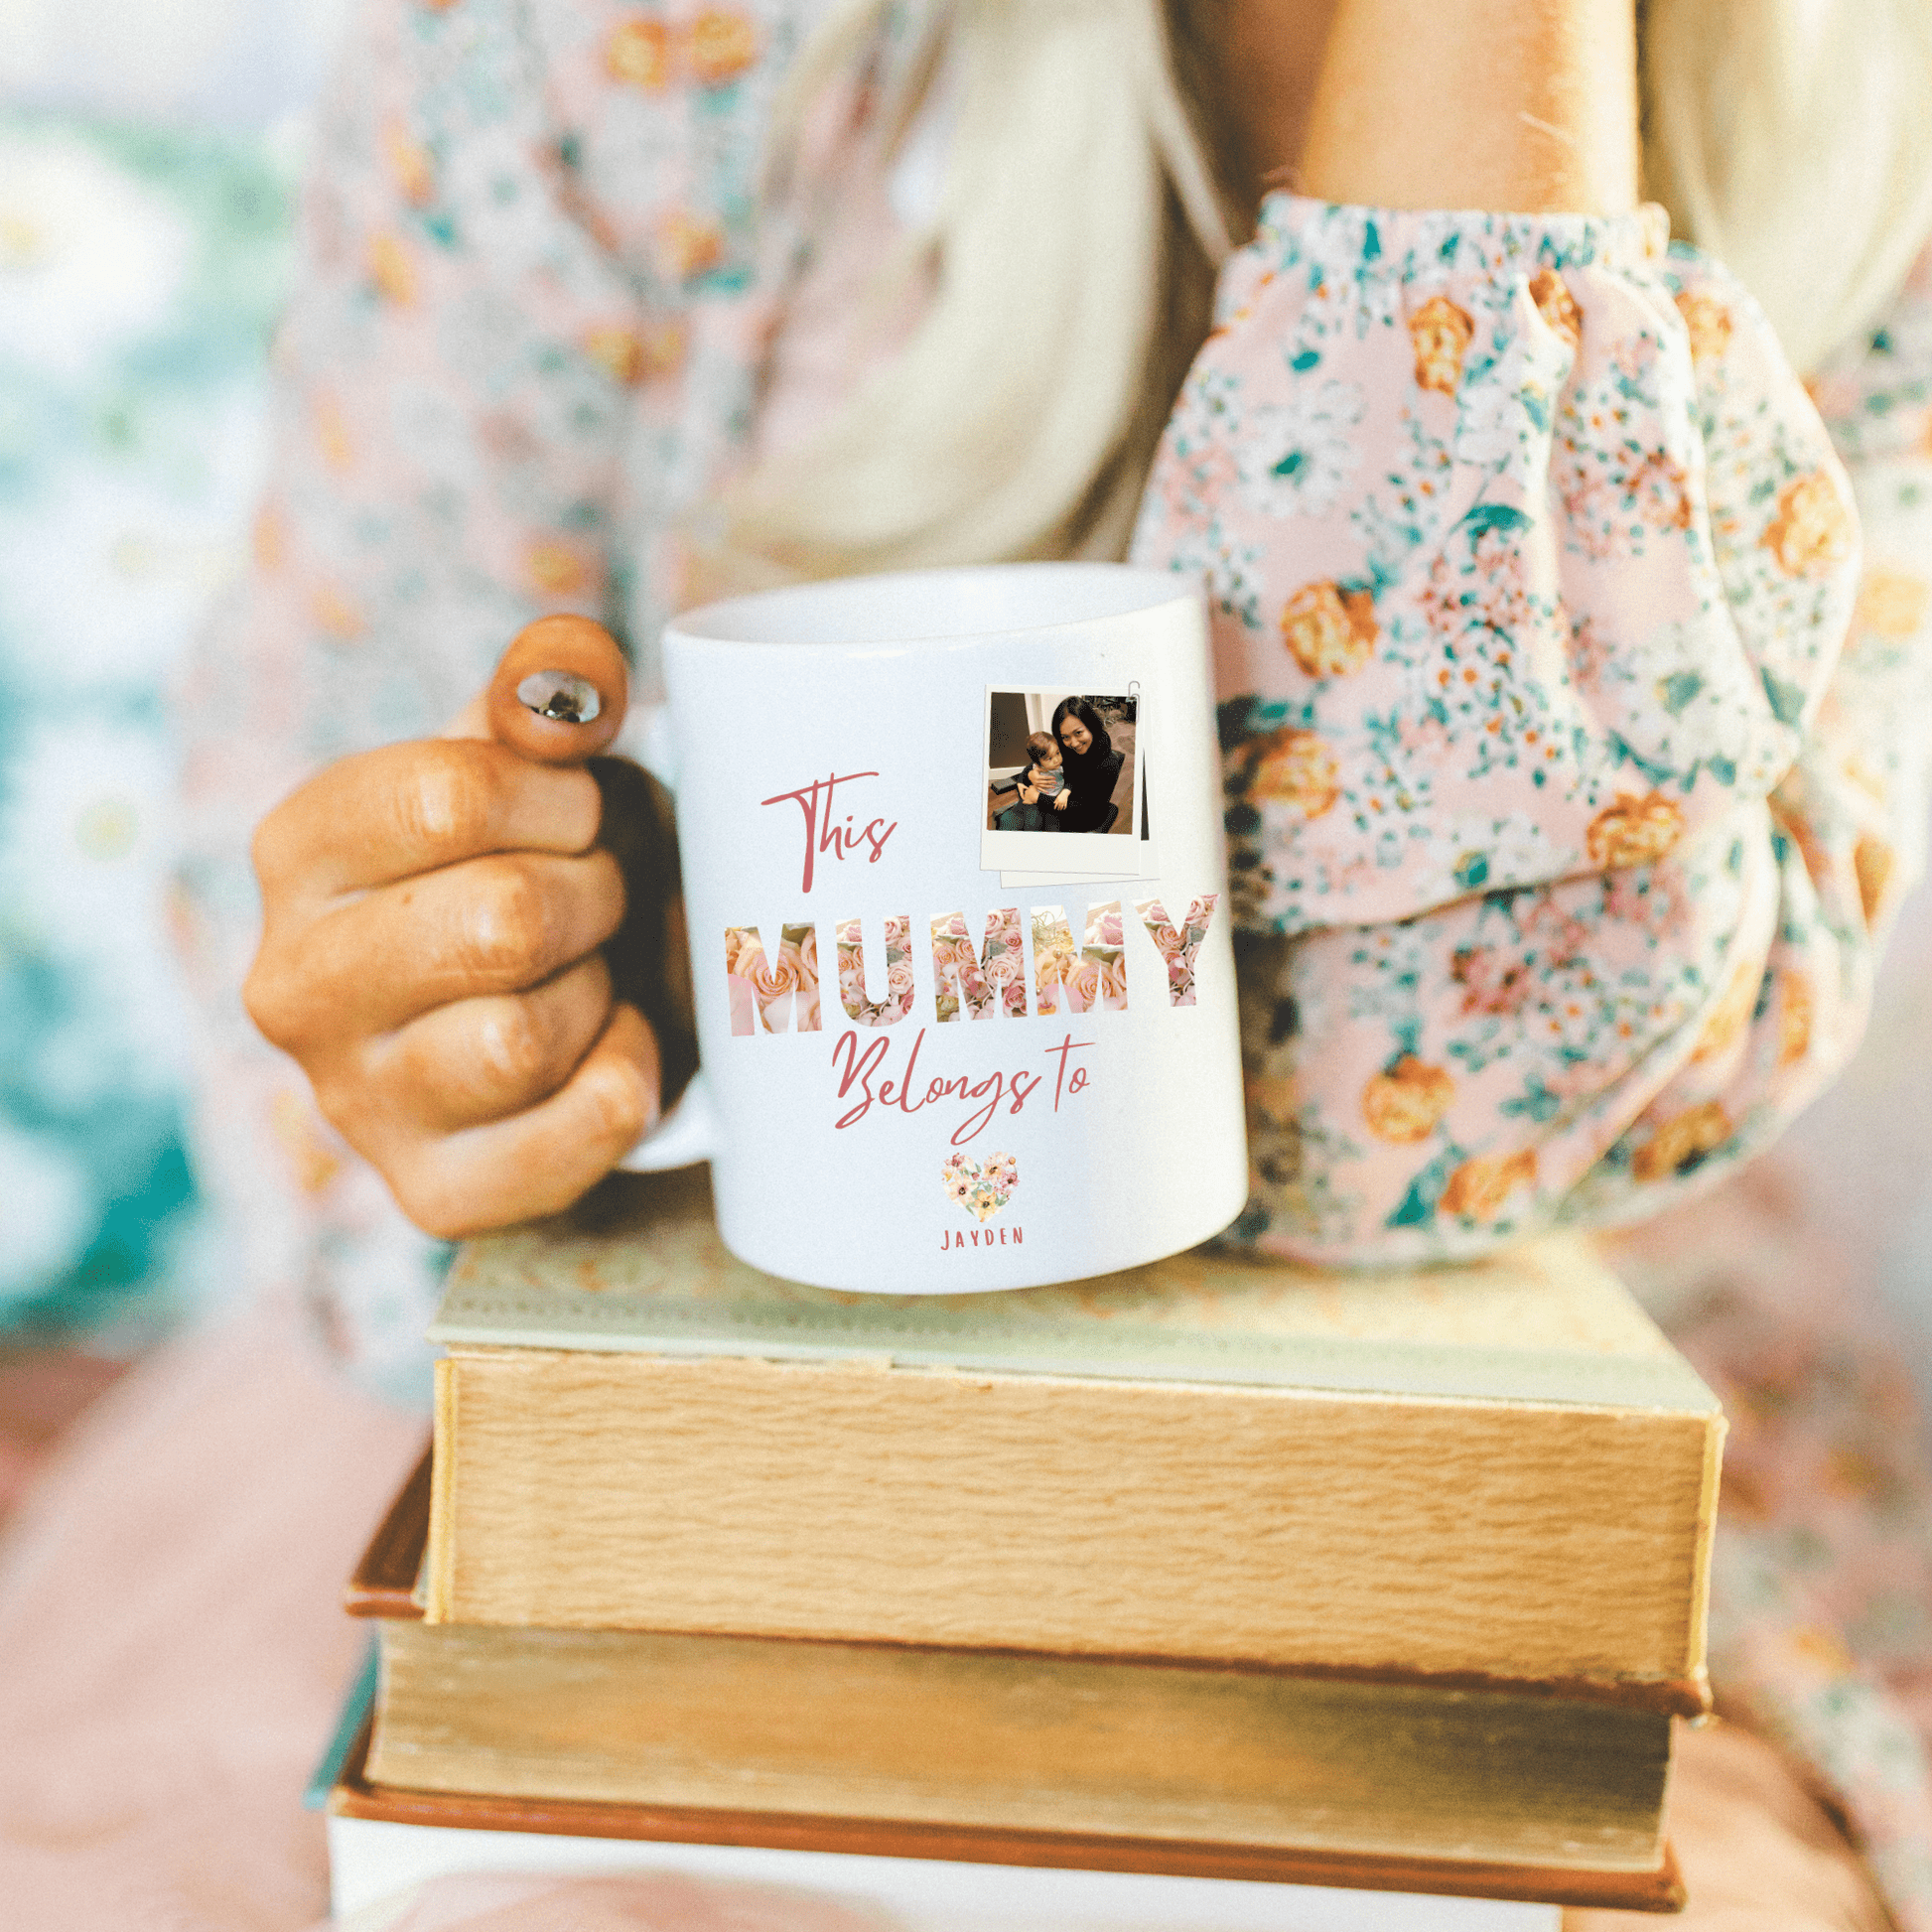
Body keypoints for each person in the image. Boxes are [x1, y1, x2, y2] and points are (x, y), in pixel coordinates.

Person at [30, 0, 1929, 1925]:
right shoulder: (607, 49)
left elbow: (1397, 1105)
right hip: (652, 1390)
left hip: (1532, 1402)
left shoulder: (1874, 136)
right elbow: (317, 901)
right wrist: (479, 996)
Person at [1045, 696, 1125, 834]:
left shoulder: (1108, 764)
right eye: (1065, 737)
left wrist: (1038, 798)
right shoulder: (1065, 748)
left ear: (1091, 726)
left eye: (1078, 733)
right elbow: (1042, 762)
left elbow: (1086, 811)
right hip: (1060, 799)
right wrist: (1031, 775)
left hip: (1082, 819)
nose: (1074, 743)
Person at [994, 727, 1067, 832]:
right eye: (1049, 758)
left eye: (1057, 753)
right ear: (1038, 763)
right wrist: (1021, 781)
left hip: (1052, 806)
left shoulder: (1064, 766)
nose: (1056, 760)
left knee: (1050, 827)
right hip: (1032, 804)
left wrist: (1065, 792)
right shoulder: (1036, 766)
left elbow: (1071, 782)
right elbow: (1026, 772)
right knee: (1016, 820)